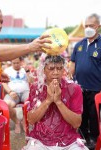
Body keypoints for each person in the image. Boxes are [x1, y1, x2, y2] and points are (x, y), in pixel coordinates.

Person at [22, 55, 89, 150]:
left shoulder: (74, 88)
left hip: (68, 140)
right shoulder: (36, 87)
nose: (56, 72)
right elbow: (31, 120)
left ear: (63, 70)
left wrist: (58, 102)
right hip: (40, 139)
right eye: (51, 68)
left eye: (59, 68)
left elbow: (76, 123)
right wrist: (48, 100)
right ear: (44, 70)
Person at [69, 13, 101, 150]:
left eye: (91, 26)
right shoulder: (79, 45)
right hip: (79, 89)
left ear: (98, 26)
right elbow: (72, 63)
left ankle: (94, 140)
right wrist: (70, 77)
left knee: (94, 118)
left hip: (97, 89)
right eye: (86, 26)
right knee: (81, 115)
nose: (88, 28)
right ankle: (82, 138)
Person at [2, 57, 29, 133]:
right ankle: (17, 121)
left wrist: (27, 72)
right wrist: (10, 92)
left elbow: (32, 81)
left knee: (30, 102)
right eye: (14, 63)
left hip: (25, 92)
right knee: (5, 105)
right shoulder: (7, 71)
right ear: (11, 62)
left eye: (17, 63)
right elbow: (4, 83)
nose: (16, 65)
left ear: (21, 62)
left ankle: (24, 120)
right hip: (12, 93)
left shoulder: (25, 69)